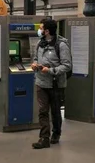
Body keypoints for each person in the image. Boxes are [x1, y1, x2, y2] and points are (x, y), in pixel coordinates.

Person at [31, 18, 72, 149]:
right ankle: (44, 138)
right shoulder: (40, 43)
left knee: (55, 111)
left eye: (41, 28)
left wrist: (51, 70)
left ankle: (56, 133)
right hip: (41, 82)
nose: (39, 30)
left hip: (55, 84)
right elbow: (36, 58)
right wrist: (34, 64)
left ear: (47, 31)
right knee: (43, 111)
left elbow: (67, 65)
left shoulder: (61, 45)